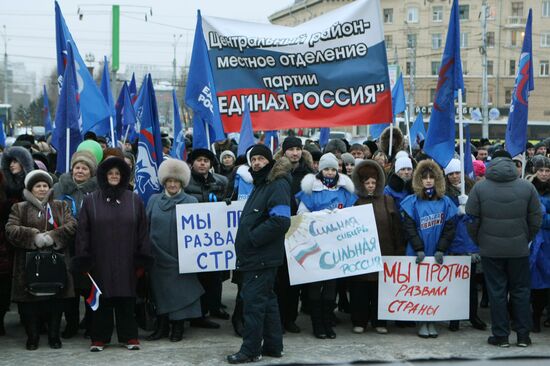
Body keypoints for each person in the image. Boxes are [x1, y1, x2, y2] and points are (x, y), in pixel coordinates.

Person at [72, 157, 152, 352]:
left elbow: (143, 230)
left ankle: (129, 337)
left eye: (118, 173)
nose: (114, 176)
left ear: (123, 176)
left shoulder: (134, 199)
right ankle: (99, 338)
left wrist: (143, 257)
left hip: (128, 259)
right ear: (104, 176)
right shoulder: (91, 200)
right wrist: (83, 258)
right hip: (100, 260)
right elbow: (83, 232)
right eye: (110, 173)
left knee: (126, 299)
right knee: (102, 299)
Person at [466, 150, 542, 347]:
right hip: (518, 249)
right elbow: (536, 219)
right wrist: (526, 238)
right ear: (511, 163)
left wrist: (480, 241)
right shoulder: (527, 187)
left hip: (491, 250)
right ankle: (523, 336)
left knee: (496, 293)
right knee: (521, 292)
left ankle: (501, 336)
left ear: (492, 162)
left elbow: (471, 219)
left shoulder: (480, 188)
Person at [227, 145, 292, 364]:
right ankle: (274, 346)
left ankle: (251, 350)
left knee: (253, 304)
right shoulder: (262, 183)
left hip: (261, 256)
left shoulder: (277, 183)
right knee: (268, 300)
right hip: (258, 256)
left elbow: (281, 220)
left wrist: (253, 238)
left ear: (269, 161)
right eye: (253, 159)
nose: (256, 163)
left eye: (260, 159)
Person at [5, 170, 76, 350]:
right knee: (29, 303)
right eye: (38, 186)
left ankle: (54, 336)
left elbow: (72, 225)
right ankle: (33, 337)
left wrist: (53, 236)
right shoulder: (19, 208)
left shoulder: (60, 206)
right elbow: (11, 229)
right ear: (31, 189)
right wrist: (33, 236)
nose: (42, 189)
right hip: (28, 264)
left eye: (45, 185)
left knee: (56, 300)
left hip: (56, 262)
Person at [296, 153, 357, 340]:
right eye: (326, 169)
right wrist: (320, 217)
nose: (330, 172)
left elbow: (352, 217)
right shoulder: (310, 191)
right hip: (315, 247)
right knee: (315, 286)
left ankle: (328, 321)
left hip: (336, 247)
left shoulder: (345, 190)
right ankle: (317, 324)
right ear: (320, 170)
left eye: (333, 168)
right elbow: (301, 216)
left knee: (331, 287)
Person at [146, 159, 204, 342]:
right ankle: (161, 326)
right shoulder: (154, 200)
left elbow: (199, 231)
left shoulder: (191, 201)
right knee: (160, 292)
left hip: (181, 258)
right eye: (169, 180)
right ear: (164, 182)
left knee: (179, 292)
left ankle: (178, 327)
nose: (172, 184)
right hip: (157, 257)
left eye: (176, 181)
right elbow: (145, 226)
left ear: (182, 182)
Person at [401, 160, 456, 338]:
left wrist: (441, 248)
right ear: (419, 180)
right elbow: (408, 228)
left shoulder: (446, 202)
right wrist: (418, 248)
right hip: (419, 251)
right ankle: (421, 321)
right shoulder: (412, 202)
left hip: (438, 250)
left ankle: (432, 321)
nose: (429, 181)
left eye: (432, 177)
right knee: (419, 287)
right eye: (424, 178)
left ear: (438, 180)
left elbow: (450, 228)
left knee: (434, 288)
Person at [350, 159, 402, 334]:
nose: (370, 186)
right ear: (361, 184)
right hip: (361, 256)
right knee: (360, 291)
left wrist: (398, 252)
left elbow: (396, 229)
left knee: (380, 290)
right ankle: (360, 321)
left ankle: (380, 321)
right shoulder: (355, 202)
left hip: (384, 253)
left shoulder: (388, 201)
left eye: (373, 182)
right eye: (367, 183)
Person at [53, 150, 99, 339]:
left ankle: (90, 322)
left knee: (88, 286)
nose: (80, 171)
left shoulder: (97, 190)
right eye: (77, 167)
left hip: (89, 245)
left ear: (91, 172)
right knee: (68, 288)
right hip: (65, 245)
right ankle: (71, 323)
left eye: (84, 168)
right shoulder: (59, 188)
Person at [273, 136, 314, 333]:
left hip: (301, 232)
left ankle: (290, 318)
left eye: (298, 149)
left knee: (295, 279)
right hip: (280, 230)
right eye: (291, 149)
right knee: (280, 280)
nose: (295, 153)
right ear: (284, 151)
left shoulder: (309, 175)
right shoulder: (277, 173)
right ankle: (279, 319)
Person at [185, 148, 229, 327]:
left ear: (211, 164)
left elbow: (227, 200)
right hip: (194, 237)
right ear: (192, 163)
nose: (202, 163)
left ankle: (215, 306)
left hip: (214, 237)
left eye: (206, 160)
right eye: (199, 160)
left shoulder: (222, 181)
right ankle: (199, 315)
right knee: (198, 277)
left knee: (215, 275)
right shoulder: (185, 182)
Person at [443, 159, 487, 332]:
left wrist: (469, 207)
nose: (454, 177)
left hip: (470, 242)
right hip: (454, 243)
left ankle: (472, 314)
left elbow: (480, 216)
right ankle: (454, 316)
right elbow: (444, 217)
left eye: (457, 173)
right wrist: (456, 211)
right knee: (454, 284)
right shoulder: (444, 193)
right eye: (451, 174)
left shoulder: (473, 190)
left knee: (471, 284)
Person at [0, 146, 35, 335]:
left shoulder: (31, 184)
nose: (13, 165)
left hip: (25, 236)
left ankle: (27, 317)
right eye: (10, 161)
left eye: (16, 161)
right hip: (5, 239)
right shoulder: (4, 185)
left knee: (25, 276)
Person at [526, 156, 550, 333]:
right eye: (541, 170)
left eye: (547, 170)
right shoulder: (528, 188)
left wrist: (541, 218)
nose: (544, 174)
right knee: (536, 282)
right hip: (532, 241)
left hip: (548, 242)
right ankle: (534, 317)